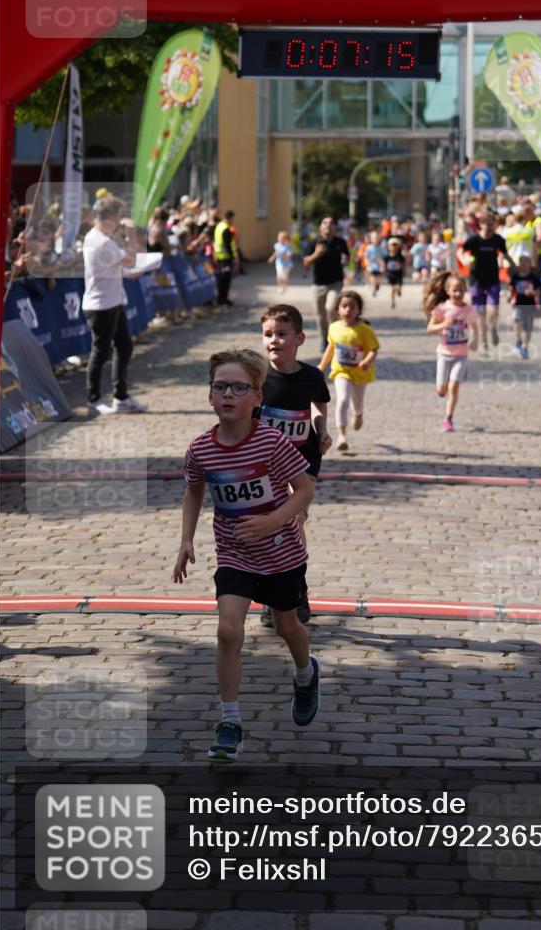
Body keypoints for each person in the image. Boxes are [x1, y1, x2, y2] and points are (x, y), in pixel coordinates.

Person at [173, 348, 320, 760]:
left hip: (281, 553)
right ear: (209, 395)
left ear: (257, 397)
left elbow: (306, 488)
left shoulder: (271, 443)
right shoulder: (201, 448)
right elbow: (194, 490)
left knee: (288, 626)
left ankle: (305, 675)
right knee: (228, 631)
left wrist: (275, 520)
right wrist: (186, 539)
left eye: (239, 387)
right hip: (234, 554)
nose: (228, 394)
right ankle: (230, 721)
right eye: (220, 386)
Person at [258, 303, 332, 627]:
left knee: (293, 521)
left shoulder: (311, 376)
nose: (274, 340)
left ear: (300, 338)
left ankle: (296, 591)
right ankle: (274, 596)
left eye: (281, 334)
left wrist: (322, 429)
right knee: (272, 530)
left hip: (303, 461)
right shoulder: (256, 378)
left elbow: (319, 406)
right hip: (265, 465)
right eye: (268, 334)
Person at [82, 196, 147, 415]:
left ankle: (120, 397)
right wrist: (130, 236)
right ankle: (94, 398)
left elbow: (118, 266)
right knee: (100, 351)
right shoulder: (102, 241)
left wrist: (127, 271)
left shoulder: (99, 238)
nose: (120, 220)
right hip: (101, 305)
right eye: (118, 216)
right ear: (110, 218)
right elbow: (130, 259)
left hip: (111, 302)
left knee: (124, 347)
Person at [319, 290, 379, 452]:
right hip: (341, 371)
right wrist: (321, 367)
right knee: (342, 400)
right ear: (337, 309)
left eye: (352, 307)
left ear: (358, 310)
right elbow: (330, 348)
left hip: (361, 373)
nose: (348, 310)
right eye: (344, 306)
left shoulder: (364, 330)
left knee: (357, 404)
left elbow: (374, 349)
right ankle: (342, 436)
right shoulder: (333, 328)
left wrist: (366, 361)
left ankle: (358, 414)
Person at [424, 272, 478, 432]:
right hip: (444, 354)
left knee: (454, 387)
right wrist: (443, 325)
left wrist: (475, 340)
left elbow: (475, 327)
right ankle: (443, 387)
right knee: (441, 391)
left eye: (461, 290)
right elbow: (429, 328)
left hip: (461, 355)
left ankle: (448, 419)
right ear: (448, 291)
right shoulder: (442, 309)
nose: (458, 293)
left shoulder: (469, 310)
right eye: (455, 290)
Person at [462, 214, 515, 355]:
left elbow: (506, 254)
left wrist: (515, 268)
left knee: (493, 311)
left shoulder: (498, 239)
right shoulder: (473, 240)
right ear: (481, 225)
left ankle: (493, 328)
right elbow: (461, 251)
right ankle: (483, 341)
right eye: (488, 225)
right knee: (480, 312)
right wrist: (465, 260)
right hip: (476, 280)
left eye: (493, 225)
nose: (491, 228)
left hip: (492, 279)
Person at [303, 216, 348, 347]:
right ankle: (324, 338)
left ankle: (335, 337)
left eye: (331, 223)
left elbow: (347, 258)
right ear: (320, 227)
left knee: (331, 307)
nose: (328, 225)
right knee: (320, 316)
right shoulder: (314, 242)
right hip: (318, 284)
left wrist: (345, 261)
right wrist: (316, 254)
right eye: (325, 222)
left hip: (336, 282)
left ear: (335, 227)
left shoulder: (340, 242)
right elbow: (305, 263)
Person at [509, 254, 541, 360]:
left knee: (528, 328)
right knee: (516, 321)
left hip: (530, 305)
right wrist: (511, 298)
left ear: (529, 265)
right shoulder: (515, 277)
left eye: (526, 263)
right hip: (518, 303)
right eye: (522, 263)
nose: (524, 265)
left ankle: (525, 347)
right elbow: (512, 290)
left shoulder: (534, 278)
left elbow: (538, 292)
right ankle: (518, 341)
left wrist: (532, 292)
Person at [213, 209, 236, 311]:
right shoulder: (226, 229)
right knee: (225, 280)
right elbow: (228, 245)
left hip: (219, 256)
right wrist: (233, 257)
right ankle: (223, 299)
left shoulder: (219, 226)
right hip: (226, 258)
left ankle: (220, 298)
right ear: (230, 218)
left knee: (221, 279)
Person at [383, 236, 407, 309]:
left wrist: (404, 271)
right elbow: (384, 265)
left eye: (395, 246)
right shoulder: (387, 257)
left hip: (398, 274)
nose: (393, 248)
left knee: (398, 287)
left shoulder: (400, 257)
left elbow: (403, 264)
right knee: (393, 289)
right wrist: (384, 272)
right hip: (391, 274)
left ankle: (399, 291)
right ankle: (392, 302)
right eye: (392, 246)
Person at [363, 229, 384, 296]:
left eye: (377, 238)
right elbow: (366, 257)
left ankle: (377, 285)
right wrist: (367, 264)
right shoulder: (369, 247)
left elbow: (385, 256)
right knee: (373, 278)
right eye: (374, 238)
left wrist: (383, 264)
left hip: (379, 266)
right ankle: (374, 288)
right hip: (372, 265)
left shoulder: (382, 247)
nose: (375, 239)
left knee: (378, 278)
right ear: (371, 239)